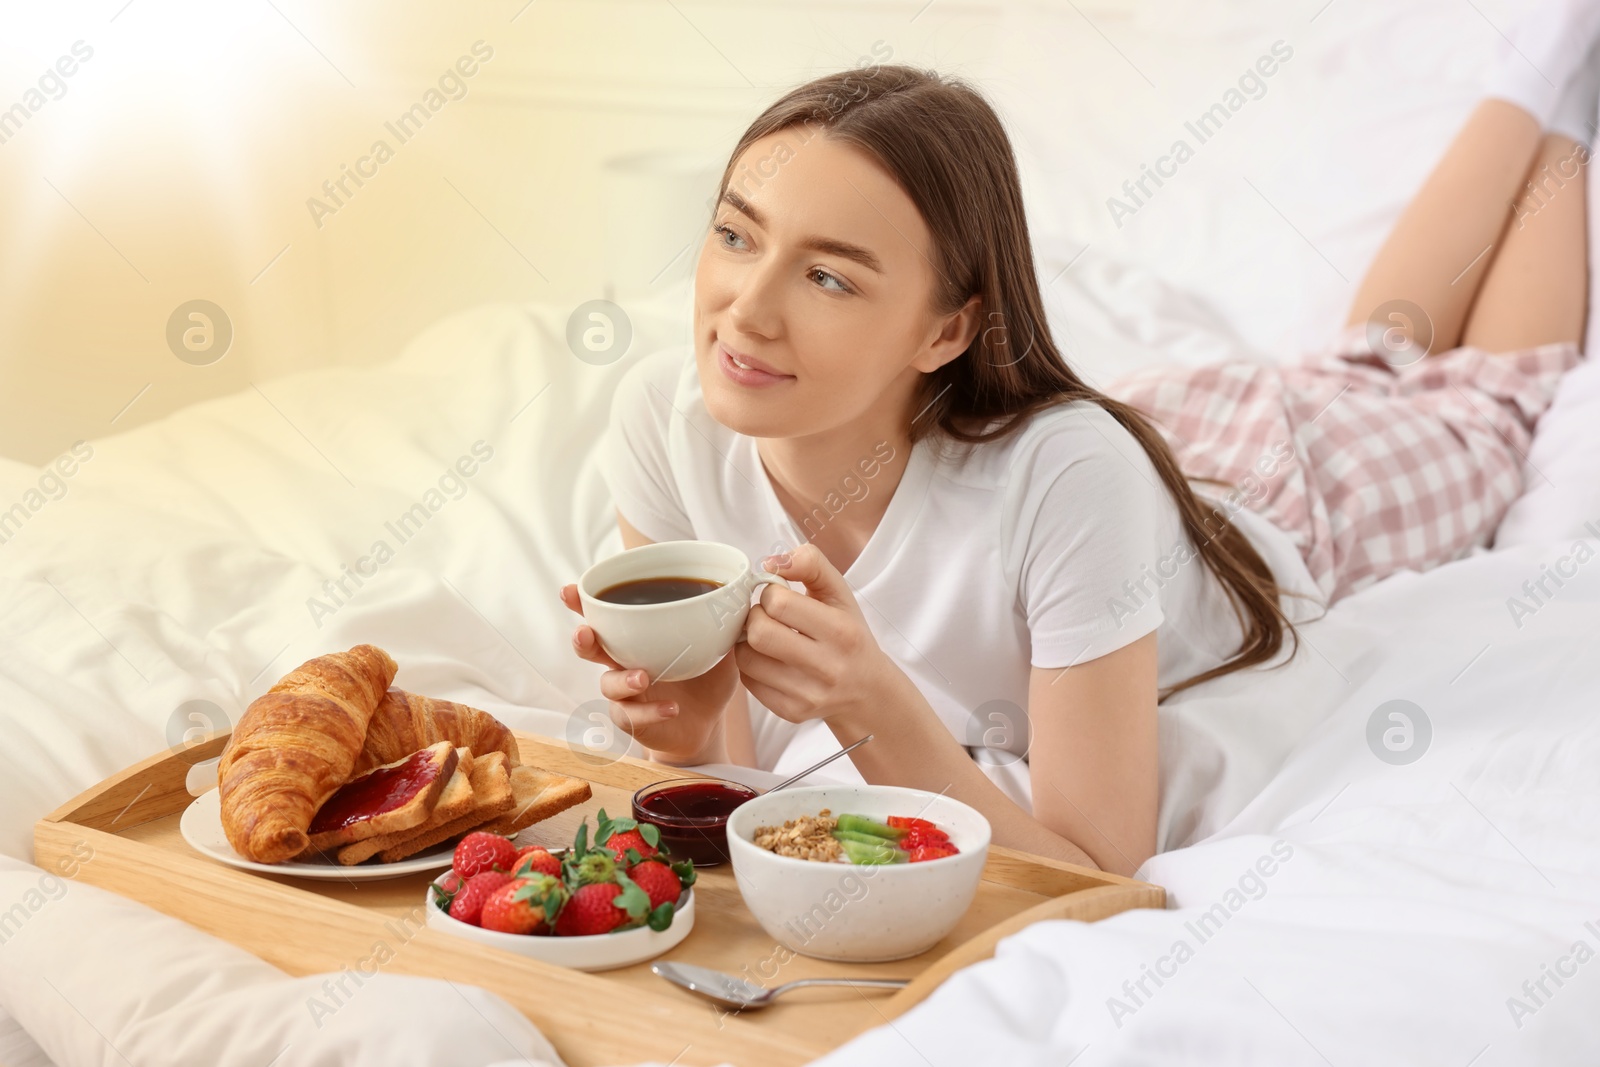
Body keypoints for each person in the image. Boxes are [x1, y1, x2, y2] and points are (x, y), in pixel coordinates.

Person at [560, 9, 1595, 875]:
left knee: (1472, 397)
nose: (745, 311)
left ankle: (1552, 81)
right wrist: (688, 726)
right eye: (737, 235)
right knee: (1369, 348)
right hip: (1168, 433)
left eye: (827, 275)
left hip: (1294, 491)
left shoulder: (1067, 472)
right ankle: (1539, 91)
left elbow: (1094, 866)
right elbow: (731, 788)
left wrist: (874, 704)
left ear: (948, 329)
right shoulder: (659, 418)